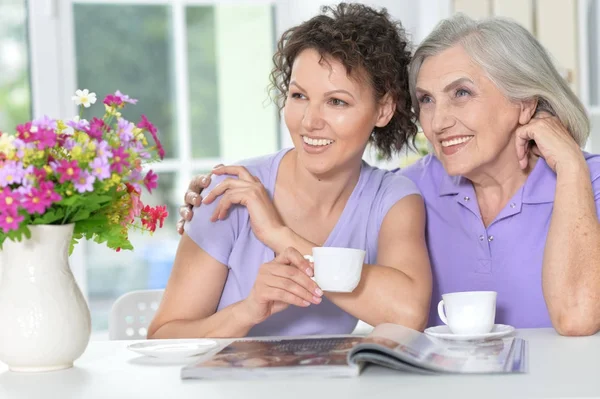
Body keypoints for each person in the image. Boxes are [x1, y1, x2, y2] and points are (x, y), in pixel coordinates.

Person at [179, 13, 600, 336]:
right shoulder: (412, 191)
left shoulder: (590, 183)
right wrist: (213, 202)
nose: (438, 121)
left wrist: (571, 167)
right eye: (428, 100)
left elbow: (578, 317)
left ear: (524, 103)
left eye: (462, 93)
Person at [147, 3, 433, 339]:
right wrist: (248, 311)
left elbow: (408, 315)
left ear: (383, 109)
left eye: (336, 101)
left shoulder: (393, 200)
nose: (310, 121)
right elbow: (163, 337)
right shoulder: (232, 193)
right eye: (299, 96)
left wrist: (280, 236)